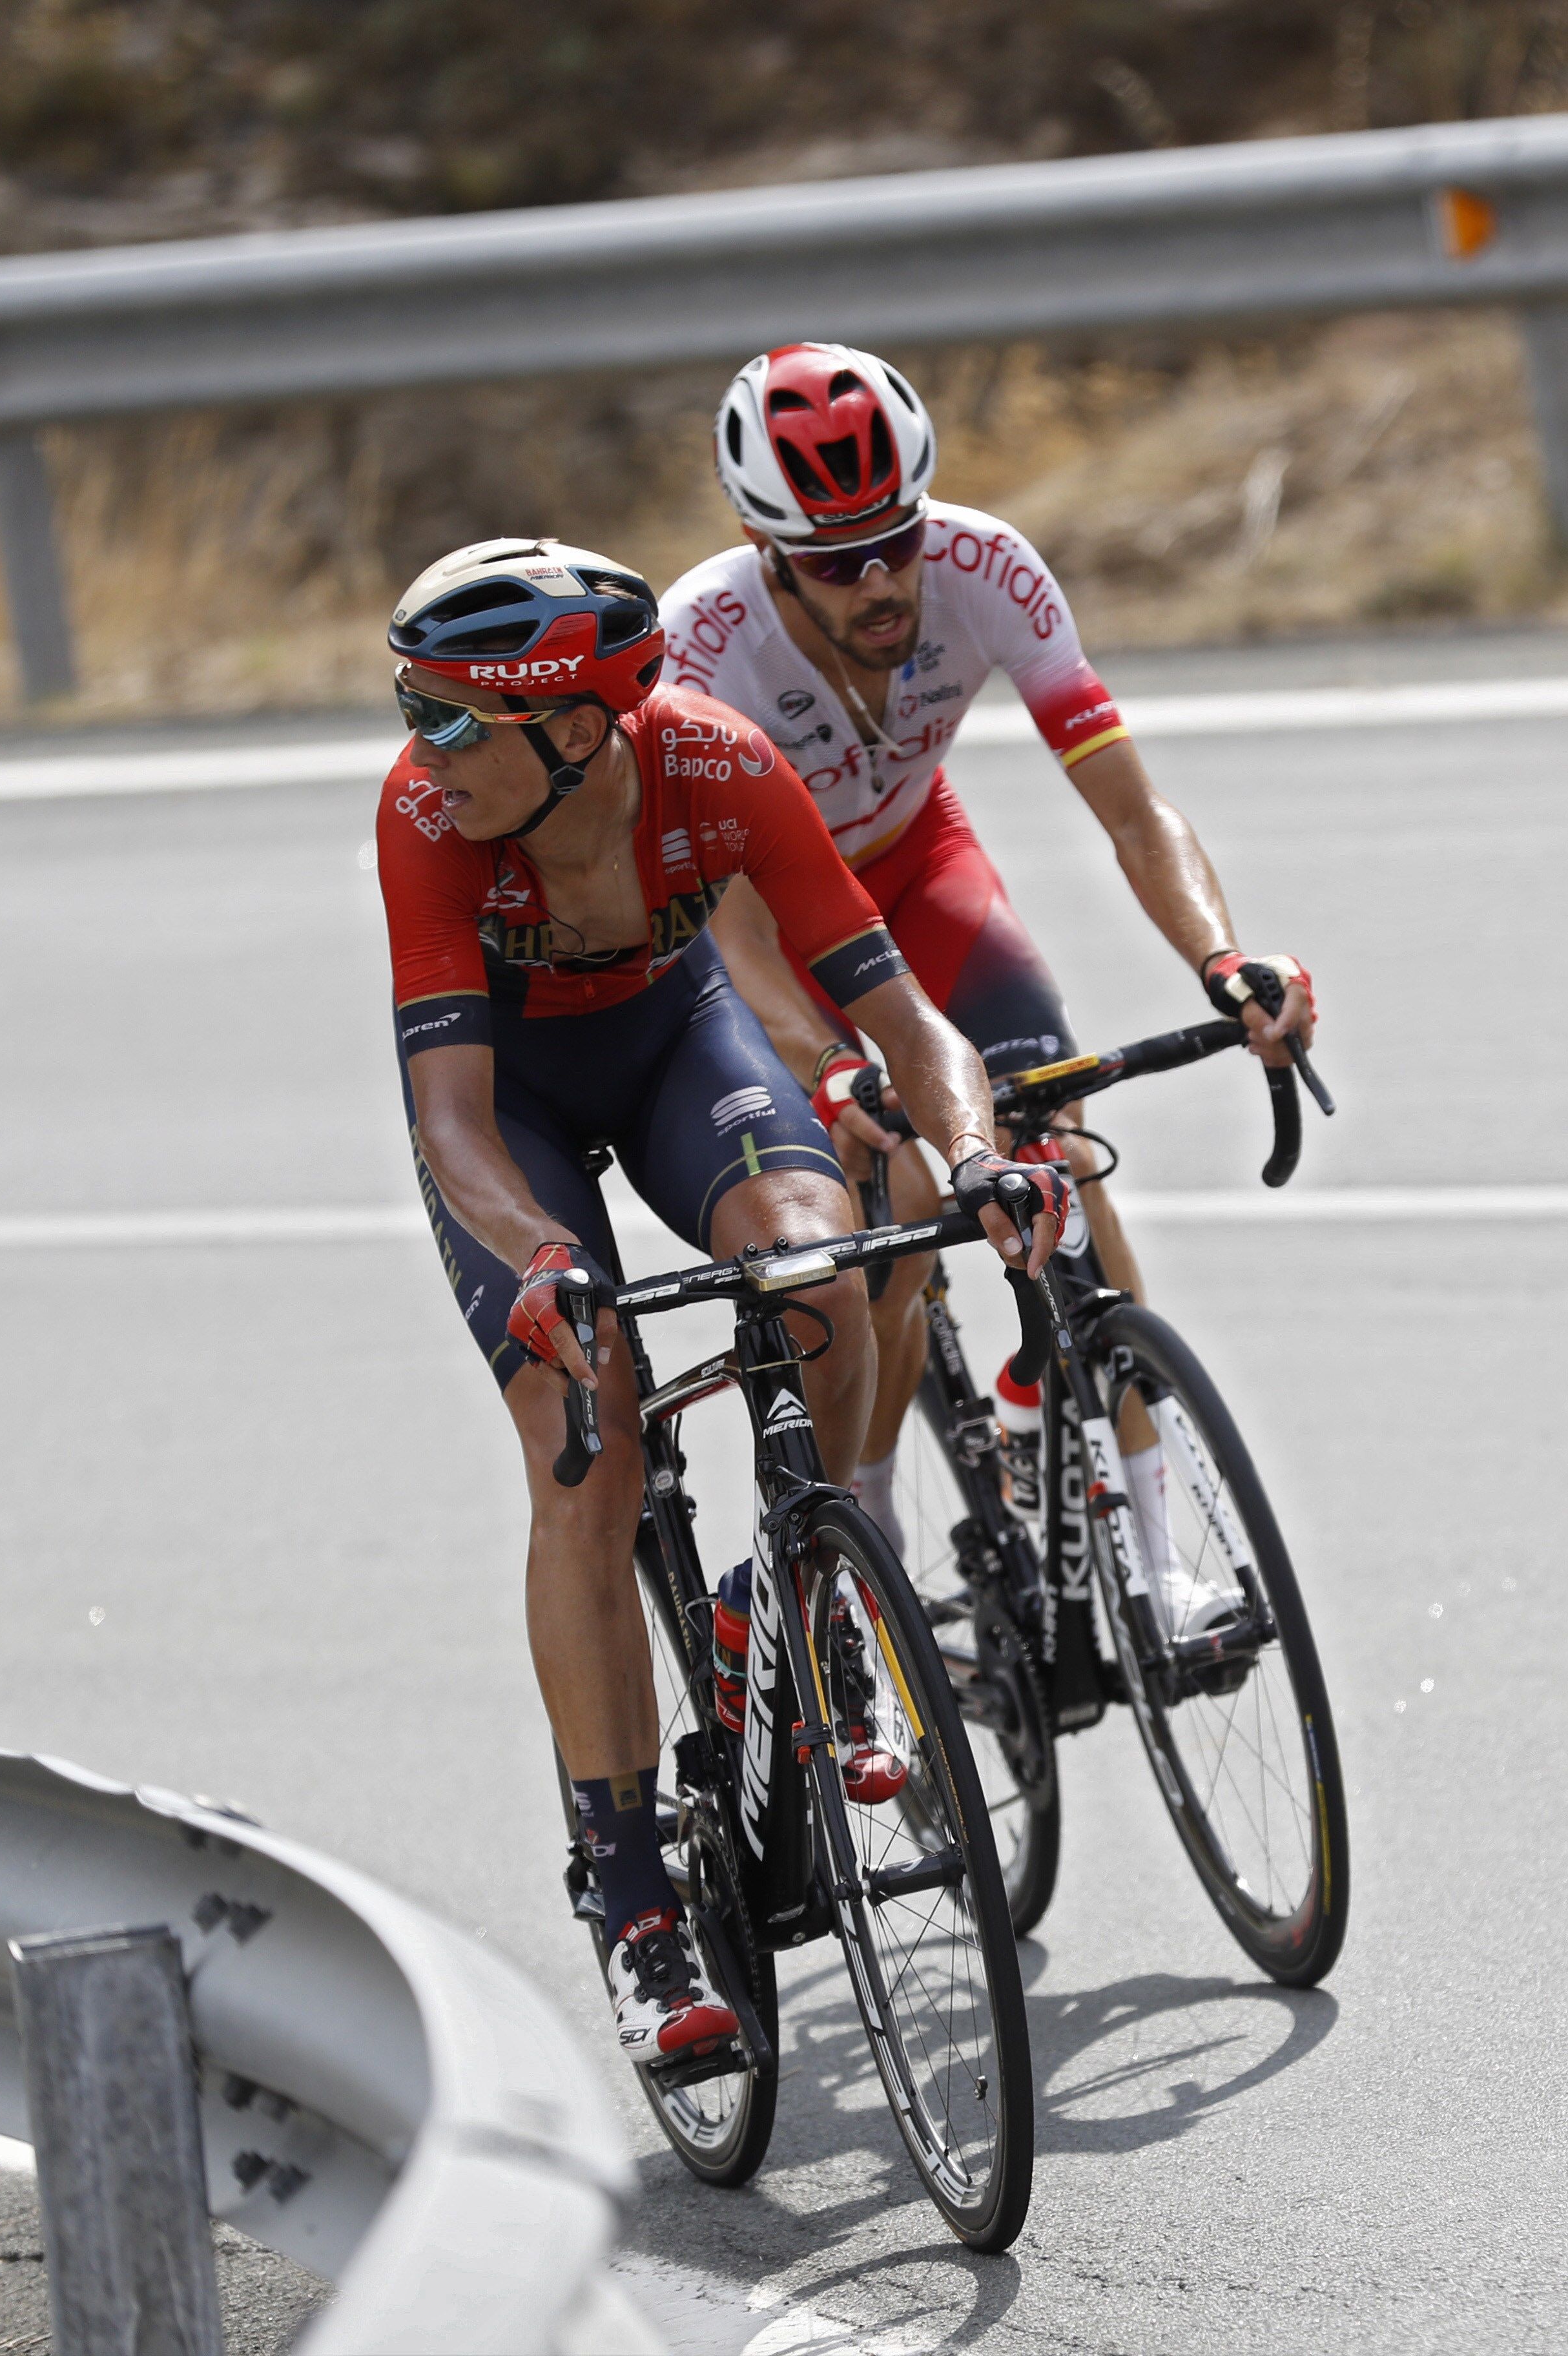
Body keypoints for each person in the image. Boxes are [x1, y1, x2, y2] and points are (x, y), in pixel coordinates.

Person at [373, 535, 1066, 2063]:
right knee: (590, 1440)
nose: (418, 748)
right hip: (516, 1117)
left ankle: (782, 1595)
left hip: (682, 1044)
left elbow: (906, 1016)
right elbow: (453, 1126)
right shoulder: (428, 818)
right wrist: (542, 1260)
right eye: (410, 709)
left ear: (570, 726)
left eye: (447, 715)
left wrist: (971, 1155)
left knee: (823, 1259)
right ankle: (631, 1899)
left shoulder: (719, 765)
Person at [659, 342, 1318, 1633]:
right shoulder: (702, 643)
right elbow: (727, 927)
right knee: (891, 1225)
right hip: (776, 929)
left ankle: (1149, 1559)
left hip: (919, 864)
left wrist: (1222, 957)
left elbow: (1130, 806)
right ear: (765, 544)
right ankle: (876, 1541)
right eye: (837, 560)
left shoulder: (986, 566)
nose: (880, 580)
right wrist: (839, 1066)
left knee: (1053, 1140)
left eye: (893, 539)